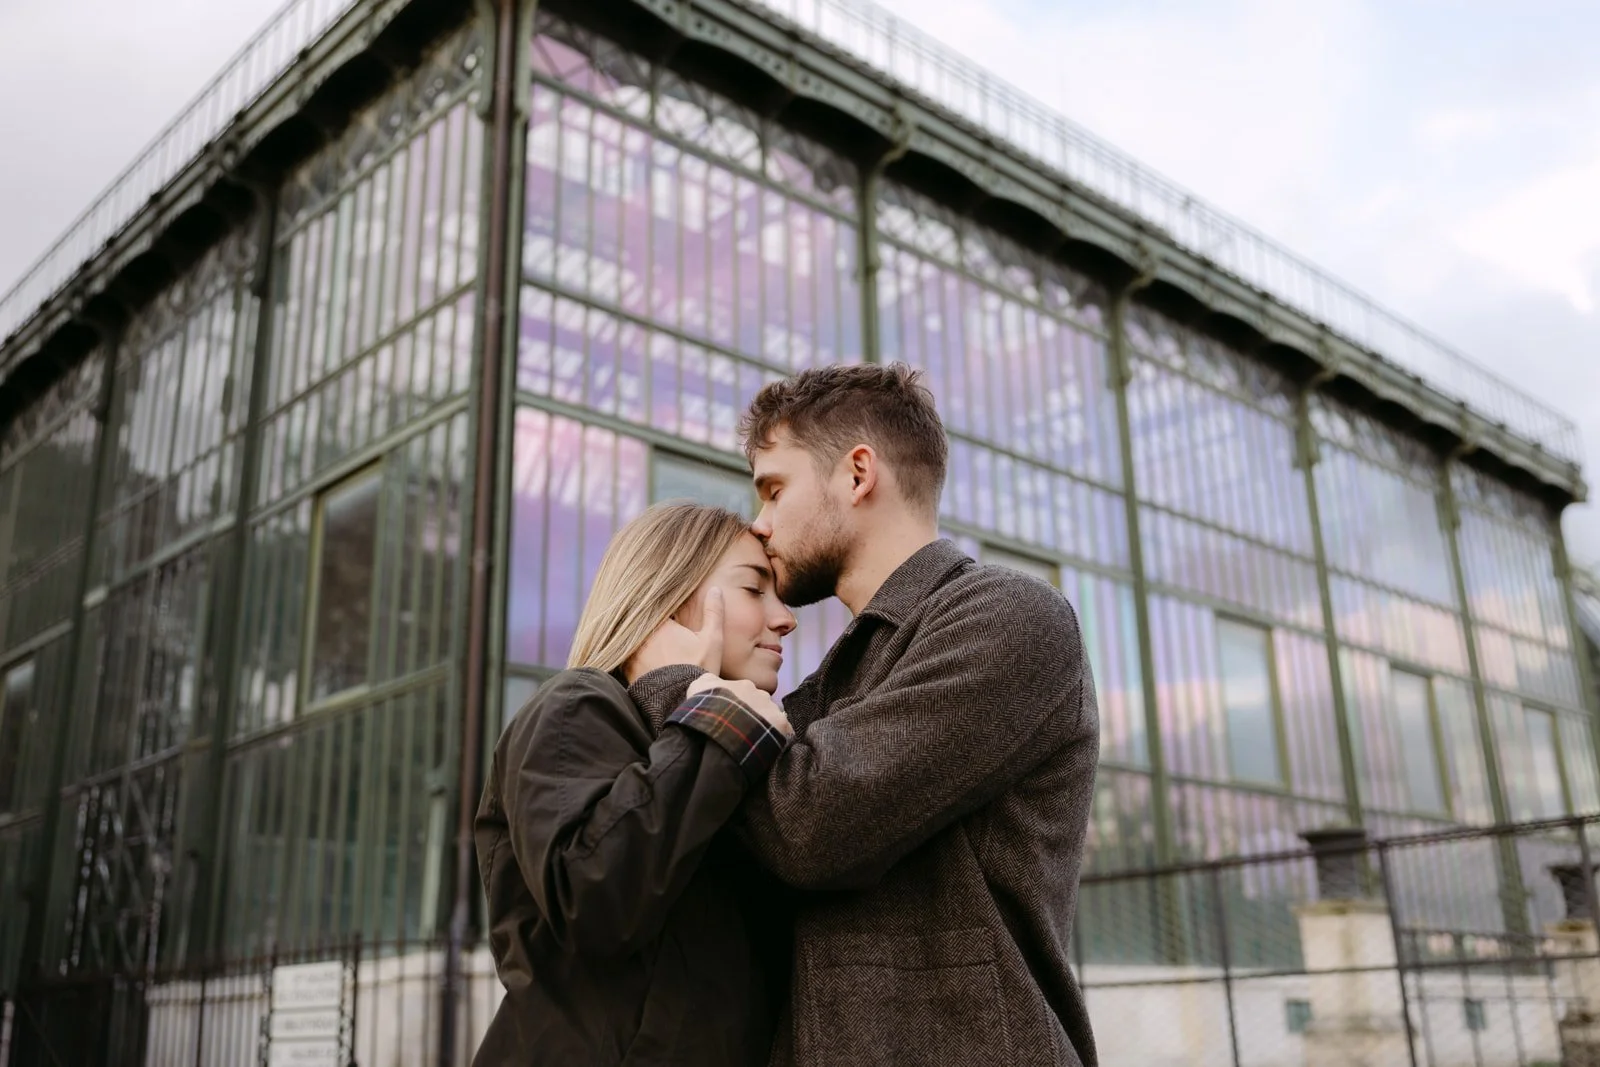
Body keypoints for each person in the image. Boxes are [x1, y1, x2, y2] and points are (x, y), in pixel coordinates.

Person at [631, 363, 1101, 1067]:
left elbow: (806, 823)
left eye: (774, 489)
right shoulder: (829, 683)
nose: (760, 523)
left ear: (857, 474)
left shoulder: (1011, 618)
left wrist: (677, 684)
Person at [473, 502, 799, 1067]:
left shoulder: (738, 759)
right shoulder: (576, 705)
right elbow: (591, 896)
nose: (785, 618)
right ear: (669, 600)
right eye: (754, 589)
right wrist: (711, 717)